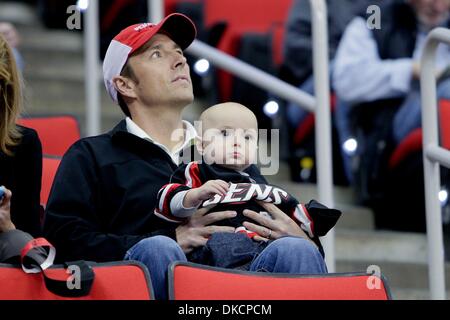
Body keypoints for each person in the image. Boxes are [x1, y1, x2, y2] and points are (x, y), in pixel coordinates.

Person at [43, 13, 329, 300]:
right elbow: (65, 240)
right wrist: (170, 239)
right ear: (125, 85)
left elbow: (274, 218)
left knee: (297, 249)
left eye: (179, 53)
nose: (180, 61)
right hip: (146, 280)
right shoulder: (91, 154)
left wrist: (303, 236)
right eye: (157, 54)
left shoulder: (228, 152)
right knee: (158, 249)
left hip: (237, 282)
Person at [155, 102, 341, 268]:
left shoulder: (261, 186)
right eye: (225, 133)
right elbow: (168, 199)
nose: (237, 142)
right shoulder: (197, 171)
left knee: (296, 247)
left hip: (259, 255)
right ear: (202, 146)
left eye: (247, 138)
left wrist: (312, 218)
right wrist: (193, 195)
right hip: (210, 255)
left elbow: (286, 210)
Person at [0, 34, 43, 263]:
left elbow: (32, 238)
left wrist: (7, 225)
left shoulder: (24, 143)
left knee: (19, 242)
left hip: (4, 253)